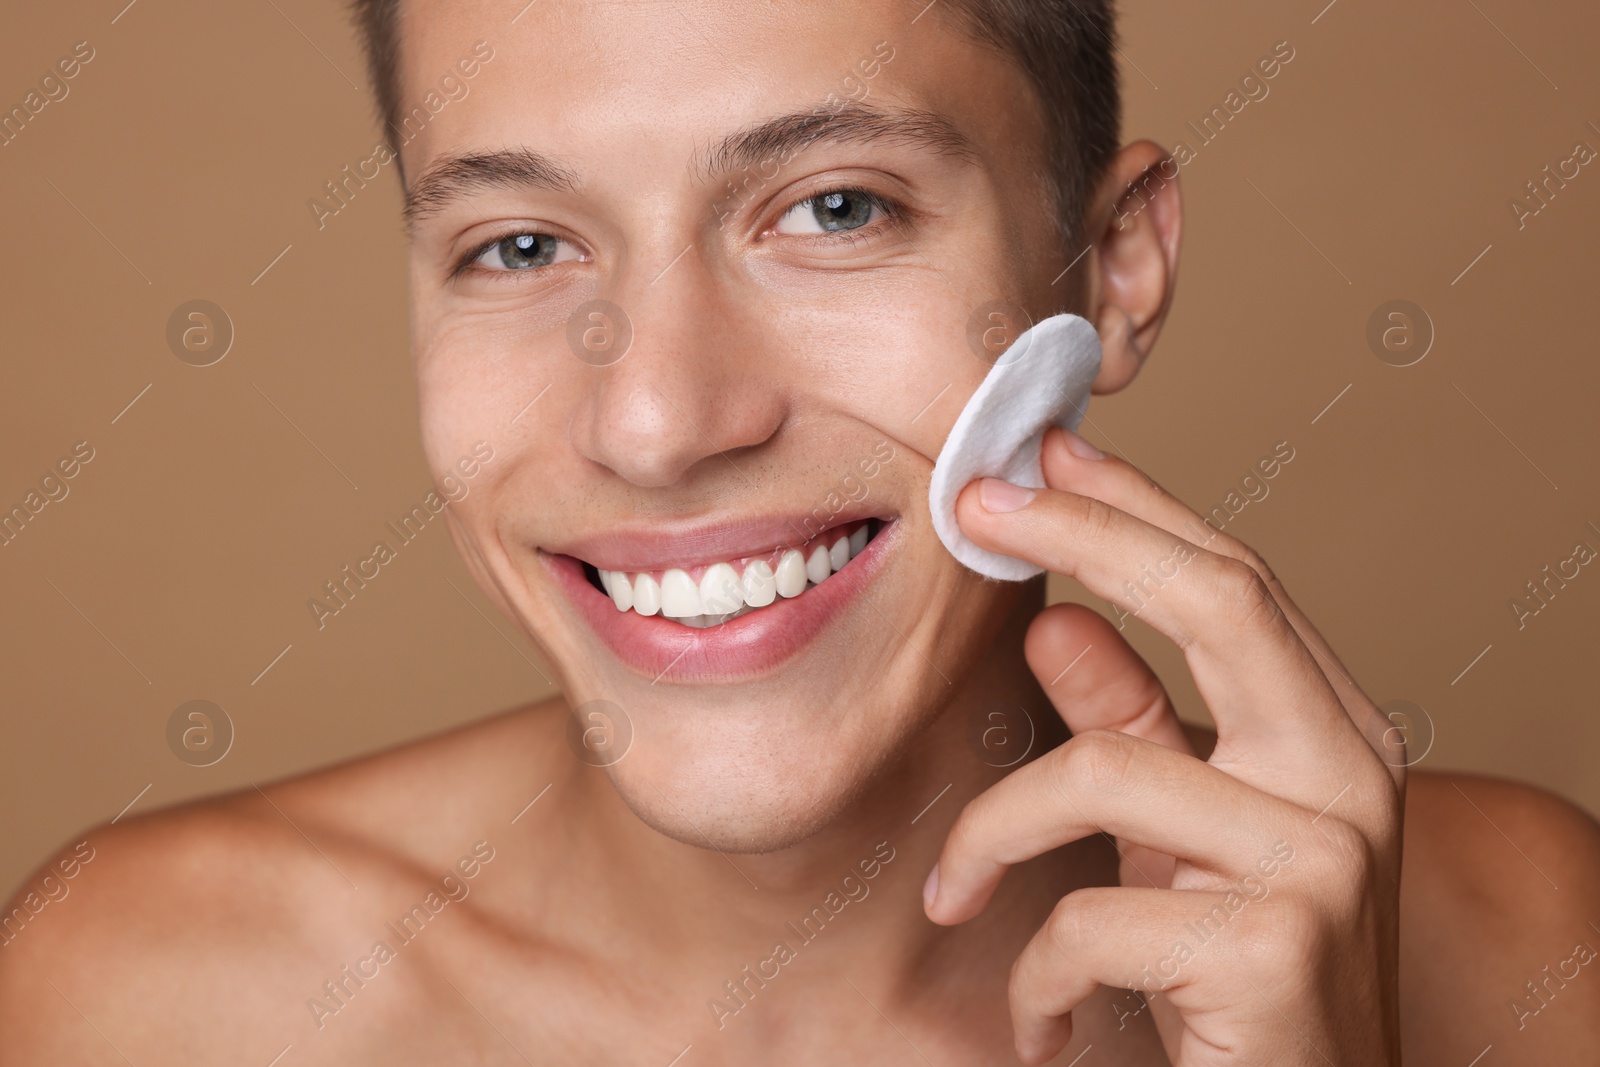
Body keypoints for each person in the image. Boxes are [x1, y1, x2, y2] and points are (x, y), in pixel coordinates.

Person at [5, 0, 1599, 1062]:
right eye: (520, 244)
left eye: (835, 208)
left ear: (1111, 265)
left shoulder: (1516, 935)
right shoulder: (147, 998)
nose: (658, 421)